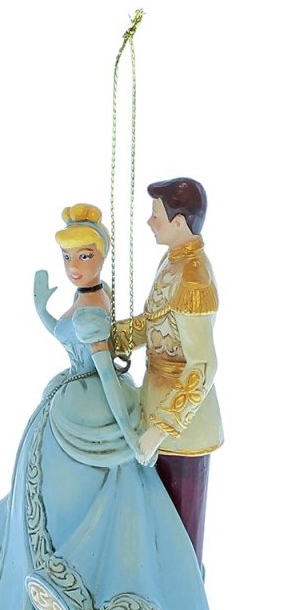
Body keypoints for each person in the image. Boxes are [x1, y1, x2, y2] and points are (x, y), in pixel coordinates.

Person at [0, 203, 217, 610]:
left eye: (85, 257)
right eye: (68, 258)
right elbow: (76, 333)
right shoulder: (100, 291)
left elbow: (108, 370)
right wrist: (42, 309)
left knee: (92, 500)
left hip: (99, 405)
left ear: (102, 256)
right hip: (74, 399)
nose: (75, 267)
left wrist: (134, 431)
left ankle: (103, 588)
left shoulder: (114, 301)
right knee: (46, 495)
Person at [115, 178, 222, 569]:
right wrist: (110, 339)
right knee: (152, 527)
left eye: (156, 215)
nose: (150, 222)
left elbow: (202, 366)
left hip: (182, 433)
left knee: (179, 538)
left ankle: (183, 598)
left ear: (179, 223)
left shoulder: (193, 277)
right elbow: (154, 323)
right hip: (154, 407)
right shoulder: (173, 262)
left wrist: (160, 430)